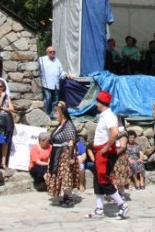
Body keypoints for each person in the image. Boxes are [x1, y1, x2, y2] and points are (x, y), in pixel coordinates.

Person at [86, 91, 130, 220]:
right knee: (98, 181)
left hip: (104, 153)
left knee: (104, 180)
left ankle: (122, 205)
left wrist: (106, 147)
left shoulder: (109, 116)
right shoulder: (104, 116)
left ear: (101, 103)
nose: (96, 104)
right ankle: (99, 209)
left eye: (97, 101)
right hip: (100, 152)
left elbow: (115, 132)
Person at [47, 102, 78, 207]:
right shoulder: (59, 126)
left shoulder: (68, 125)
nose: (55, 116)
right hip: (57, 153)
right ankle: (65, 197)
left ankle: (69, 198)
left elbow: (71, 142)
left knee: (65, 175)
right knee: (61, 175)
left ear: (62, 113)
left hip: (64, 154)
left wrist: (70, 157)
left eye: (56, 113)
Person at [38, 46, 73, 118]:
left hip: (55, 85)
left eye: (53, 52)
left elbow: (61, 72)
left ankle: (53, 114)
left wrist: (67, 75)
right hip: (46, 84)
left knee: (55, 101)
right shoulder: (41, 60)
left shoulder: (57, 60)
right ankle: (46, 114)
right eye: (50, 52)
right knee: (48, 99)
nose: (52, 53)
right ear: (47, 52)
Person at [0, 79, 15, 169]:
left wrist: (3, 108)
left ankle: (3, 163)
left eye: (1, 86)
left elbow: (11, 108)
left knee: (5, 141)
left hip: (6, 120)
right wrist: (2, 96)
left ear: (4, 87)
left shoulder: (7, 96)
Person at [112, 116, 131, 197]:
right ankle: (116, 194)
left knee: (120, 177)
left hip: (120, 156)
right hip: (115, 154)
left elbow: (122, 146)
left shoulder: (122, 132)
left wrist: (114, 154)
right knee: (115, 176)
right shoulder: (115, 131)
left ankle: (121, 194)